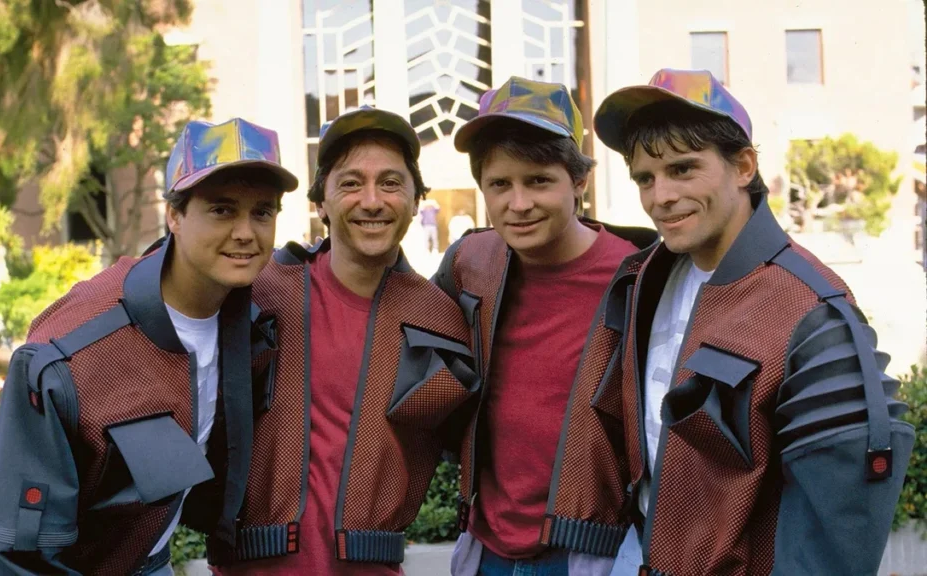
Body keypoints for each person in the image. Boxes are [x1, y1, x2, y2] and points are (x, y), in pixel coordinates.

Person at [593, 68, 913, 575]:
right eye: (644, 178)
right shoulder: (646, 277)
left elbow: (837, 526)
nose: (660, 197)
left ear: (743, 166)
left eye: (683, 169)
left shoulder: (809, 306)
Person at [0, 117, 299, 576]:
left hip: (144, 559)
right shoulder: (77, 346)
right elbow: (19, 547)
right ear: (174, 215)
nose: (245, 232)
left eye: (262, 212)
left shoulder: (252, 314)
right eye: (222, 210)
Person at [208, 106, 479, 575]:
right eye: (351, 183)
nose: (372, 201)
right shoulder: (256, 291)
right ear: (320, 202)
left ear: (417, 201)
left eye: (391, 183)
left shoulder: (442, 320)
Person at [433, 76, 658, 576]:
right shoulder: (470, 261)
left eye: (538, 180)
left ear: (578, 181)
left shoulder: (640, 274)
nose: (518, 203)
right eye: (500, 184)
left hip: (593, 550)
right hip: (486, 544)